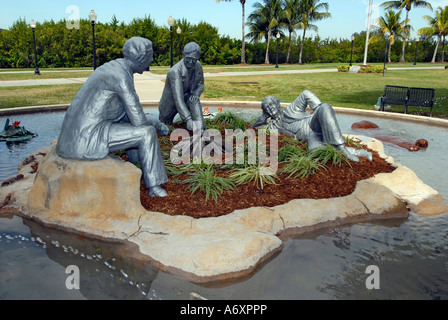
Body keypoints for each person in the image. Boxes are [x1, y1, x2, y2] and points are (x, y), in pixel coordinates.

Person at [56, 37, 169, 197]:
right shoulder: (120, 76)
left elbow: (125, 115)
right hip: (87, 139)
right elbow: (139, 122)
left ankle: (136, 165)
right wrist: (156, 124)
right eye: (150, 57)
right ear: (141, 58)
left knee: (139, 130)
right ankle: (154, 187)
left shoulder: (114, 67)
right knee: (147, 133)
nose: (151, 60)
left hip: (76, 137)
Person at [251, 90, 372, 162]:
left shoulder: (290, 110)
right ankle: (357, 152)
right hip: (311, 137)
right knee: (315, 151)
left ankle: (342, 148)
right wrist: (262, 117)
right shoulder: (273, 127)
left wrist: (318, 111)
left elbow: (305, 93)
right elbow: (253, 129)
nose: (271, 109)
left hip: (313, 124)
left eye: (271, 104)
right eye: (267, 108)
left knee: (325, 107)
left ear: (278, 104)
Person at [158, 42, 205, 132]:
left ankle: (200, 129)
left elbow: (200, 85)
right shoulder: (175, 71)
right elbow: (178, 99)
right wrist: (188, 119)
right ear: (183, 55)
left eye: (194, 59)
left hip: (187, 97)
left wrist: (196, 93)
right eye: (188, 59)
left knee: (194, 99)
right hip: (169, 106)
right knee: (165, 129)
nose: (191, 62)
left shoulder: (198, 65)